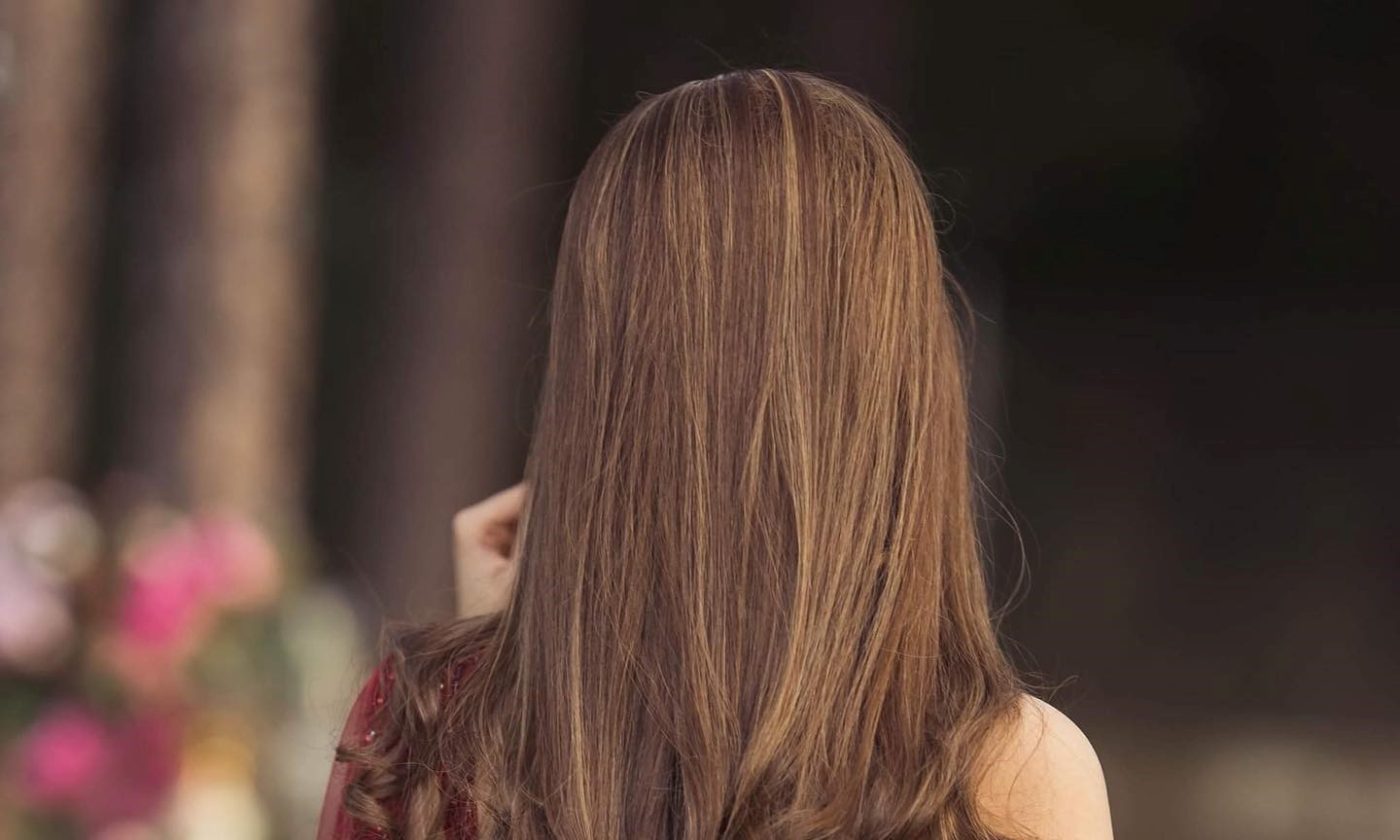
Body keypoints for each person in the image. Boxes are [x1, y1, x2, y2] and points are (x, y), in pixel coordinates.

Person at [317, 68, 1113, 840]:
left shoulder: (415, 735)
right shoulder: (1009, 773)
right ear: (900, 378)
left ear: (597, 363)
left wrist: (489, 699)